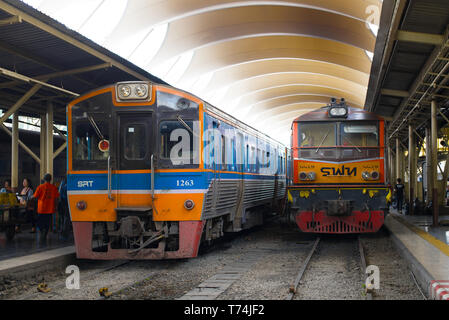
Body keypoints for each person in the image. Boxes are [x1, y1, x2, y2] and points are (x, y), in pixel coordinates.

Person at [33, 174, 60, 244]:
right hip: (50, 208)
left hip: (41, 208)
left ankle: (42, 231)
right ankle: (45, 232)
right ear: (50, 179)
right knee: (48, 222)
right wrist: (56, 206)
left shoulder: (40, 187)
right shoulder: (54, 187)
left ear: (44, 179)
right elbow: (56, 198)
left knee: (40, 222)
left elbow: (35, 196)